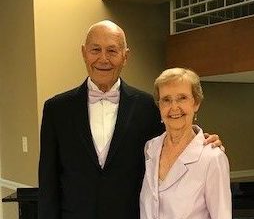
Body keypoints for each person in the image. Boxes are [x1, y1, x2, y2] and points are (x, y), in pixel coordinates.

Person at [38, 20, 223, 219]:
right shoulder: (56, 109)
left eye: (112, 51)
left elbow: (173, 145)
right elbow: (48, 181)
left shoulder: (148, 107)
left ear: (125, 56)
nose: (103, 59)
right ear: (84, 52)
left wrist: (202, 141)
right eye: (95, 50)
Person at [140, 68, 231, 219]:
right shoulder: (151, 148)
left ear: (196, 103)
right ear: (159, 106)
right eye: (166, 100)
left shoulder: (212, 158)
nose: (174, 107)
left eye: (182, 98)